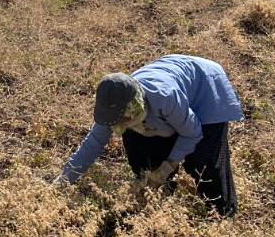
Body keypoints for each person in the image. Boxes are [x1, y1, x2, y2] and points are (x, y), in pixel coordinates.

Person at [57, 54, 243, 216]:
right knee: (142, 157)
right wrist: (61, 184)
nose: (116, 123)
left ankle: (221, 214)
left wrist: (168, 166)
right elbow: (92, 144)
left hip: (205, 88)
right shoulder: (111, 106)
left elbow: (192, 133)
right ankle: (160, 205)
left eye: (121, 117)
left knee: (202, 160)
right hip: (168, 97)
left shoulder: (164, 97)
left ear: (134, 105)